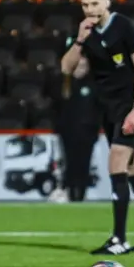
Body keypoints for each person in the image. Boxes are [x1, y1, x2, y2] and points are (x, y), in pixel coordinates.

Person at [60, 0, 134, 255]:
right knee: (132, 167)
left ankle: (118, 239)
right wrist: (79, 41)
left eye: (95, 4)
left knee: (117, 161)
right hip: (106, 108)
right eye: (85, 5)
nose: (90, 10)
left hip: (129, 105)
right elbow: (69, 70)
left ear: (106, 2)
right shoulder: (85, 34)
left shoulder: (126, 27)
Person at [57, 54, 100, 202]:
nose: (81, 69)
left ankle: (81, 194)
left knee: (84, 164)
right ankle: (69, 193)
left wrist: (94, 128)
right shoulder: (64, 85)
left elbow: (98, 109)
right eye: (78, 66)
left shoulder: (93, 86)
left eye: (83, 66)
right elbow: (58, 109)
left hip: (87, 132)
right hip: (68, 132)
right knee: (69, 163)